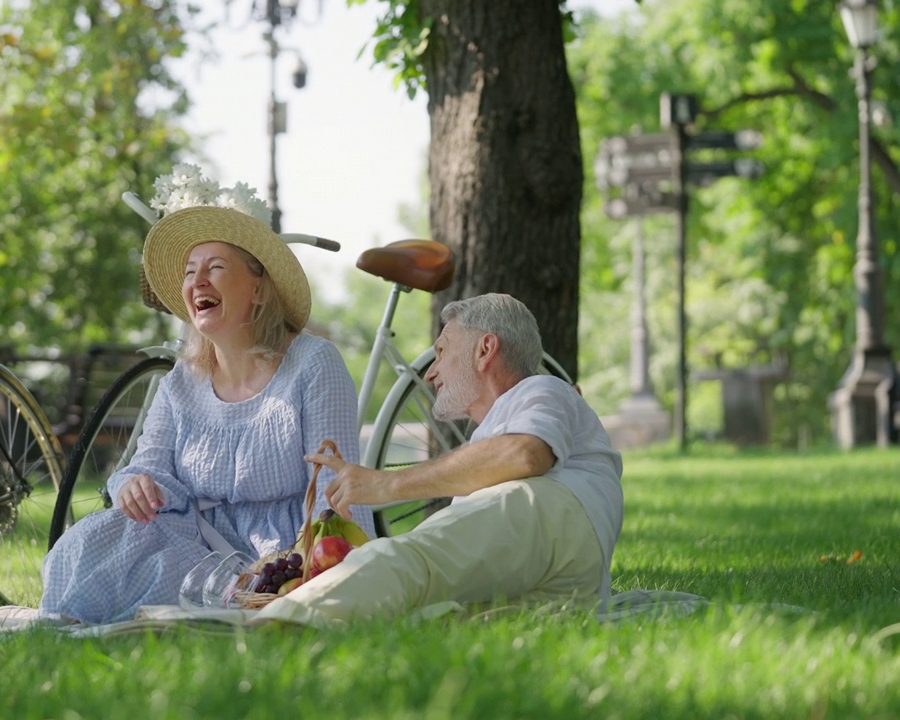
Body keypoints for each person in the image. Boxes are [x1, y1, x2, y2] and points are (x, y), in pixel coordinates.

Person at [39, 201, 373, 624]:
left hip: (286, 556)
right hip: (196, 548)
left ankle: (227, 604)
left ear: (258, 289)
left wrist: (346, 567)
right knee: (92, 536)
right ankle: (65, 622)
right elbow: (147, 466)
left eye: (215, 267)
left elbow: (338, 485)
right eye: (189, 271)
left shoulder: (312, 363)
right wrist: (132, 484)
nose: (197, 280)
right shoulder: (182, 380)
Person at [253, 293, 623, 627]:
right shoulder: (497, 428)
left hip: (557, 517)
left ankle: (261, 624)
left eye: (443, 351)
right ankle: (294, 623)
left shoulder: (541, 388)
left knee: (407, 560)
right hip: (566, 579)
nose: (431, 372)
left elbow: (526, 454)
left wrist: (386, 484)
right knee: (430, 617)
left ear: (485, 349)